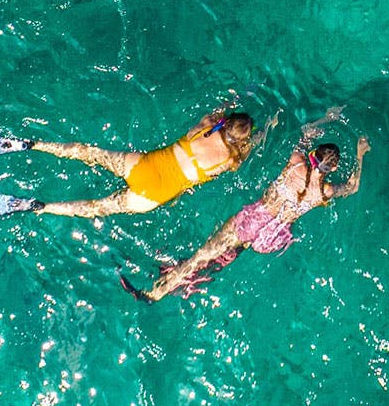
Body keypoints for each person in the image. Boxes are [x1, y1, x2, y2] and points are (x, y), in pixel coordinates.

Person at [124, 127, 368, 301]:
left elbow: (304, 136)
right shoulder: (325, 191)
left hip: (253, 219)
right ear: (333, 168)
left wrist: (320, 125)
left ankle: (156, 293)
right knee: (226, 257)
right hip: (272, 236)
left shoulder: (295, 162)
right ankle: (193, 281)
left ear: (313, 155)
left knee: (203, 254)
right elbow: (353, 187)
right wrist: (360, 153)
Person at [0, 109, 259, 218]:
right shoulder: (230, 162)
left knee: (88, 152)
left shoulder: (204, 128)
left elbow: (217, 113)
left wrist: (225, 111)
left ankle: (31, 144)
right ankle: (38, 206)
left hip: (143, 165)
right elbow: (238, 155)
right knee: (95, 206)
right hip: (150, 197)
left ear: (225, 123)